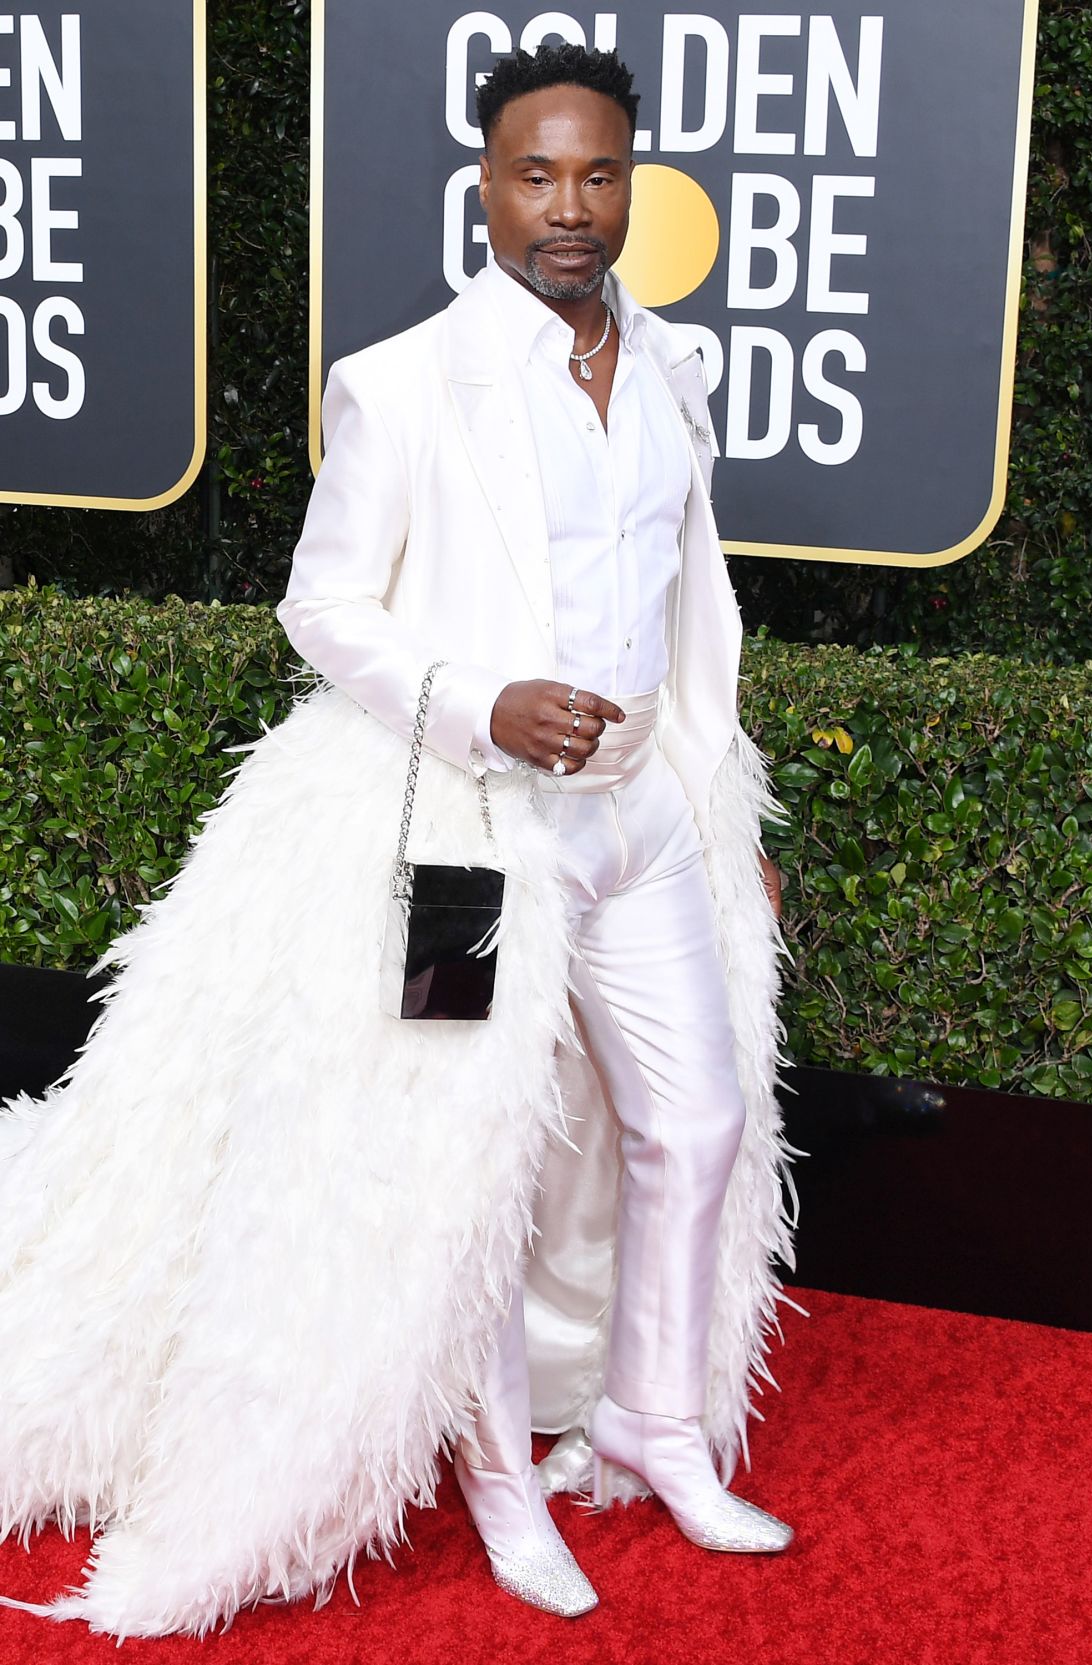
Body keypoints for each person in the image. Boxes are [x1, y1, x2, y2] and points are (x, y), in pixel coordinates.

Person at [0, 44, 799, 1641]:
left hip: (641, 817)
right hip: (464, 840)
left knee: (698, 1124)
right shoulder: (404, 380)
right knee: (472, 1163)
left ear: (630, 184)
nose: (569, 208)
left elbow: (689, 602)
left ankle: (648, 1420)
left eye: (597, 175)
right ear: (484, 185)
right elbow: (320, 605)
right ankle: (503, 1484)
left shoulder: (674, 369)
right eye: (535, 174)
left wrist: (717, 805)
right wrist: (476, 700)